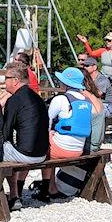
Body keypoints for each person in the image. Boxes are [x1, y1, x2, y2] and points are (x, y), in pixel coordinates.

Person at [35, 67, 92, 202]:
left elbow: (47, 121)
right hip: (78, 149)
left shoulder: (61, 99)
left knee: (45, 146)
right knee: (52, 138)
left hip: (61, 150)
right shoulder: (86, 101)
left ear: (66, 83)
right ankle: (52, 187)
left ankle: (47, 189)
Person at [1, 62, 49, 210]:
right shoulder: (37, 98)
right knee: (16, 146)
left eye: (6, 78)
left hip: (27, 155)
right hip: (42, 153)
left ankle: (8, 195)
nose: (4, 82)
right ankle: (16, 193)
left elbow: (5, 131)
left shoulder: (14, 100)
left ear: (15, 80)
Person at [54, 69, 105, 197]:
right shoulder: (95, 97)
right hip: (97, 143)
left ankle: (49, 186)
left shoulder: (82, 98)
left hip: (88, 146)